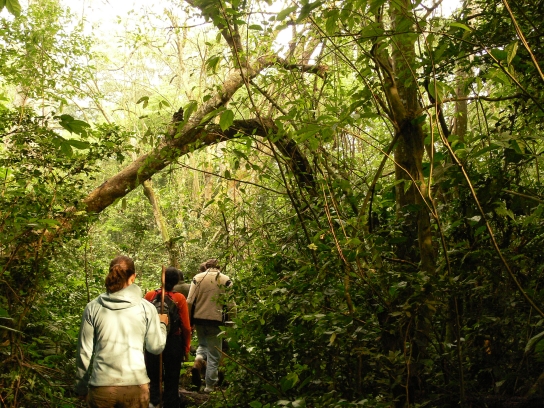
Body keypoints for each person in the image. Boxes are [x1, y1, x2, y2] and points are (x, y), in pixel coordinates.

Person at [75, 256, 169, 408]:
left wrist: (81, 387)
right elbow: (155, 347)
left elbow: (84, 352)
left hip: (101, 387)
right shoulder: (146, 308)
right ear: (133, 277)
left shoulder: (93, 307)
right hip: (136, 387)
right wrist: (162, 324)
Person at [144, 267, 191, 408]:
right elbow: (186, 327)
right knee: (172, 375)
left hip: (153, 339)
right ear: (176, 281)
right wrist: (186, 347)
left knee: (153, 374)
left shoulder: (150, 295)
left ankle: (154, 401)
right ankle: (171, 402)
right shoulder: (179, 298)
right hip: (173, 341)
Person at [186, 259, 235, 393]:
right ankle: (210, 386)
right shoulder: (225, 280)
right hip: (216, 321)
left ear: (206, 267)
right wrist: (230, 324)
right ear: (218, 267)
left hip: (199, 319)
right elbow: (231, 305)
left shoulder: (197, 278)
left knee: (203, 344)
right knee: (214, 355)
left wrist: (189, 321)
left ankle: (199, 359)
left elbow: (189, 301)